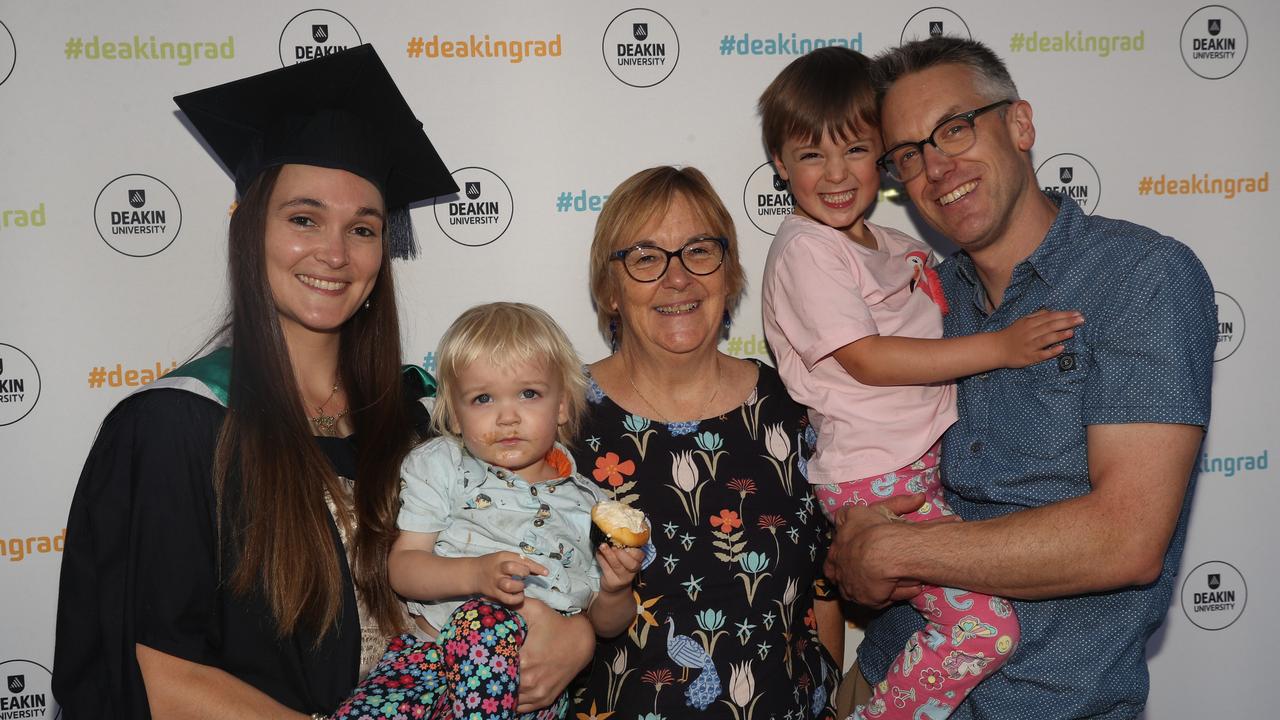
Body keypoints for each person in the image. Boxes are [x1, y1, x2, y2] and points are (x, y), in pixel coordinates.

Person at [52, 46, 592, 719]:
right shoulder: (174, 429)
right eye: (303, 219)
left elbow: (512, 562)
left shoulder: (418, 419)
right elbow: (158, 675)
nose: (334, 254)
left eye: (362, 228)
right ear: (252, 231)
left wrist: (576, 633)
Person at [824, 37, 1216, 718]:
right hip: (889, 687)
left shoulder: (1140, 278)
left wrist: (896, 549)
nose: (937, 167)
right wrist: (855, 551)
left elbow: (1125, 540)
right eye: (909, 155)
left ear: (1020, 124)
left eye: (954, 128)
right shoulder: (918, 301)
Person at [757, 47, 1084, 720]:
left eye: (855, 150)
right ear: (781, 167)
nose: (836, 174)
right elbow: (870, 359)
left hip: (921, 466)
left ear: (880, 156)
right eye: (811, 155)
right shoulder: (805, 248)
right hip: (877, 479)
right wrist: (999, 349)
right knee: (985, 627)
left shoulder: (897, 245)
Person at [571, 165, 841, 718]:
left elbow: (823, 592)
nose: (678, 278)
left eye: (699, 250)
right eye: (646, 257)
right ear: (610, 289)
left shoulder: (794, 409)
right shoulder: (560, 421)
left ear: (729, 271)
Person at [334, 302, 642, 719]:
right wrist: (476, 574)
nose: (508, 417)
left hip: (526, 686)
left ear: (563, 406)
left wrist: (617, 589)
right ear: (455, 416)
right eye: (482, 398)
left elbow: (607, 624)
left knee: (488, 620)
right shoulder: (441, 464)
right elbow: (403, 568)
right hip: (427, 665)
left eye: (529, 394)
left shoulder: (588, 505)